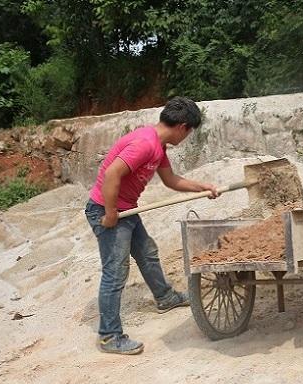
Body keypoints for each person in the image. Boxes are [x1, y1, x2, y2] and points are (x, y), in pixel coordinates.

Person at [84, 97, 220, 354]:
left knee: (147, 253)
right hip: (108, 209)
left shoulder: (159, 147)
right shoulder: (145, 144)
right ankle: (109, 336)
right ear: (182, 127)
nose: (187, 137)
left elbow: (171, 181)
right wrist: (111, 213)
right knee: (115, 272)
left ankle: (165, 298)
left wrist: (203, 187)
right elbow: (112, 173)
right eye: (189, 132)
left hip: (126, 209)